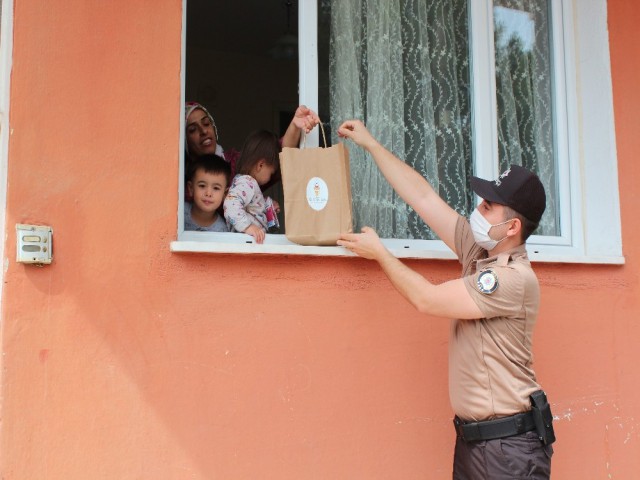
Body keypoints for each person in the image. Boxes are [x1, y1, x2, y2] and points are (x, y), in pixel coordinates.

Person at [336, 120, 555, 480]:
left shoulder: (510, 278)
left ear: (512, 228)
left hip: (508, 451)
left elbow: (427, 299)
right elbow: (423, 198)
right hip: (477, 443)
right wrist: (371, 144)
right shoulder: (480, 252)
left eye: (489, 207)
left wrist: (381, 254)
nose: (478, 210)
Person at [184, 101, 320, 177]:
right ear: (184, 141)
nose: (203, 131)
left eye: (206, 123)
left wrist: (295, 125)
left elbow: (277, 154)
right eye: (192, 130)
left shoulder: (234, 164)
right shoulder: (180, 180)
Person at [223, 130, 282, 244]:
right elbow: (230, 205)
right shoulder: (248, 183)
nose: (271, 177)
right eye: (271, 172)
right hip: (243, 243)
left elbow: (252, 208)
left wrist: (267, 205)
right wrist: (248, 227)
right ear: (261, 165)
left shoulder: (244, 182)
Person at [184, 155, 231, 232]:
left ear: (225, 194)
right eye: (202, 186)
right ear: (191, 189)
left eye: (216, 188)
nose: (208, 193)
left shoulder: (222, 230)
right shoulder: (179, 213)